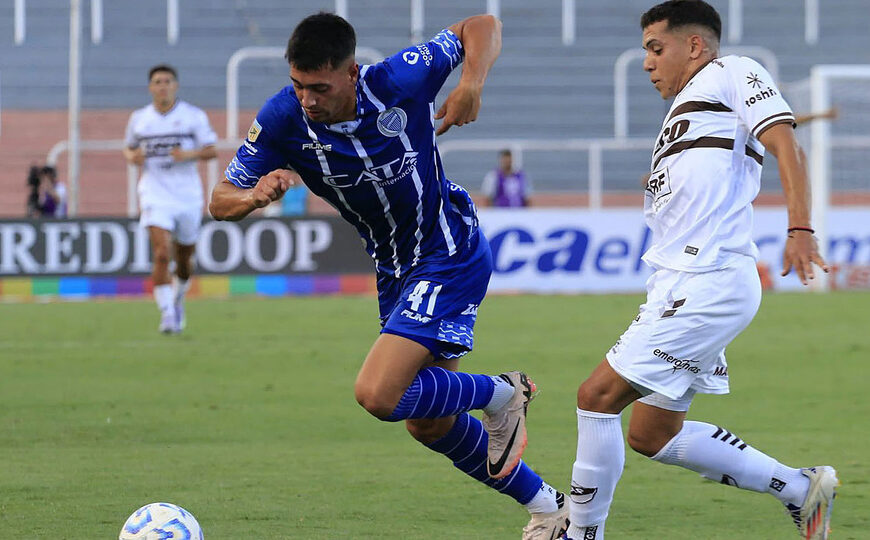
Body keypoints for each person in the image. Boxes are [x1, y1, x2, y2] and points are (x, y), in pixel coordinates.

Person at [209, 12, 569, 539]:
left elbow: (482, 24)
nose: (308, 99)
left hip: (448, 247)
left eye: (319, 88)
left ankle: (501, 394)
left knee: (378, 395)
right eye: (298, 85)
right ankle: (549, 508)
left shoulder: (398, 79)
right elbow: (219, 201)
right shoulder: (283, 119)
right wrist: (252, 197)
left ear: (352, 73)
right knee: (427, 421)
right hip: (394, 268)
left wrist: (470, 83)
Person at [561, 2, 837, 539]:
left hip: (707, 280)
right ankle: (804, 490)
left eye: (655, 48)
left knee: (596, 397)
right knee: (653, 433)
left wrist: (800, 228)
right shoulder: (685, 110)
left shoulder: (732, 71)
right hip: (682, 282)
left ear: (694, 45)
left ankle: (580, 534)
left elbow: (786, 141)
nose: (646, 63)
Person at [123, 65, 217, 334]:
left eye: (167, 81)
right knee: (162, 253)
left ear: (175, 86)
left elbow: (211, 150)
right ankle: (166, 313)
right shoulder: (139, 119)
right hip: (154, 192)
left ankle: (178, 298)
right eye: (157, 82)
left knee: (185, 259)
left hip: (187, 195)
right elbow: (129, 149)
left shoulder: (192, 116)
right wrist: (133, 158)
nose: (162, 86)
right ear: (150, 87)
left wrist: (187, 155)